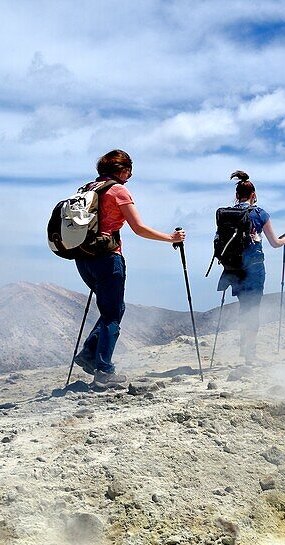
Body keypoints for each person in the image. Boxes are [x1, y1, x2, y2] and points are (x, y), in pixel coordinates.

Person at [72, 149, 186, 387]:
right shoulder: (118, 190)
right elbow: (139, 228)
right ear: (122, 170)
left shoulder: (87, 189)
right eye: (129, 172)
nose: (130, 177)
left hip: (83, 258)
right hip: (108, 257)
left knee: (113, 308)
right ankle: (103, 370)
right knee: (113, 313)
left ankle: (88, 354)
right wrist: (170, 238)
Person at [216, 171, 285, 363]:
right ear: (253, 195)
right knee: (253, 309)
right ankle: (250, 354)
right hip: (254, 268)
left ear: (236, 195)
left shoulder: (226, 215)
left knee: (244, 307)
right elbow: (274, 242)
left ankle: (245, 348)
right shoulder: (259, 213)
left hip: (233, 268)